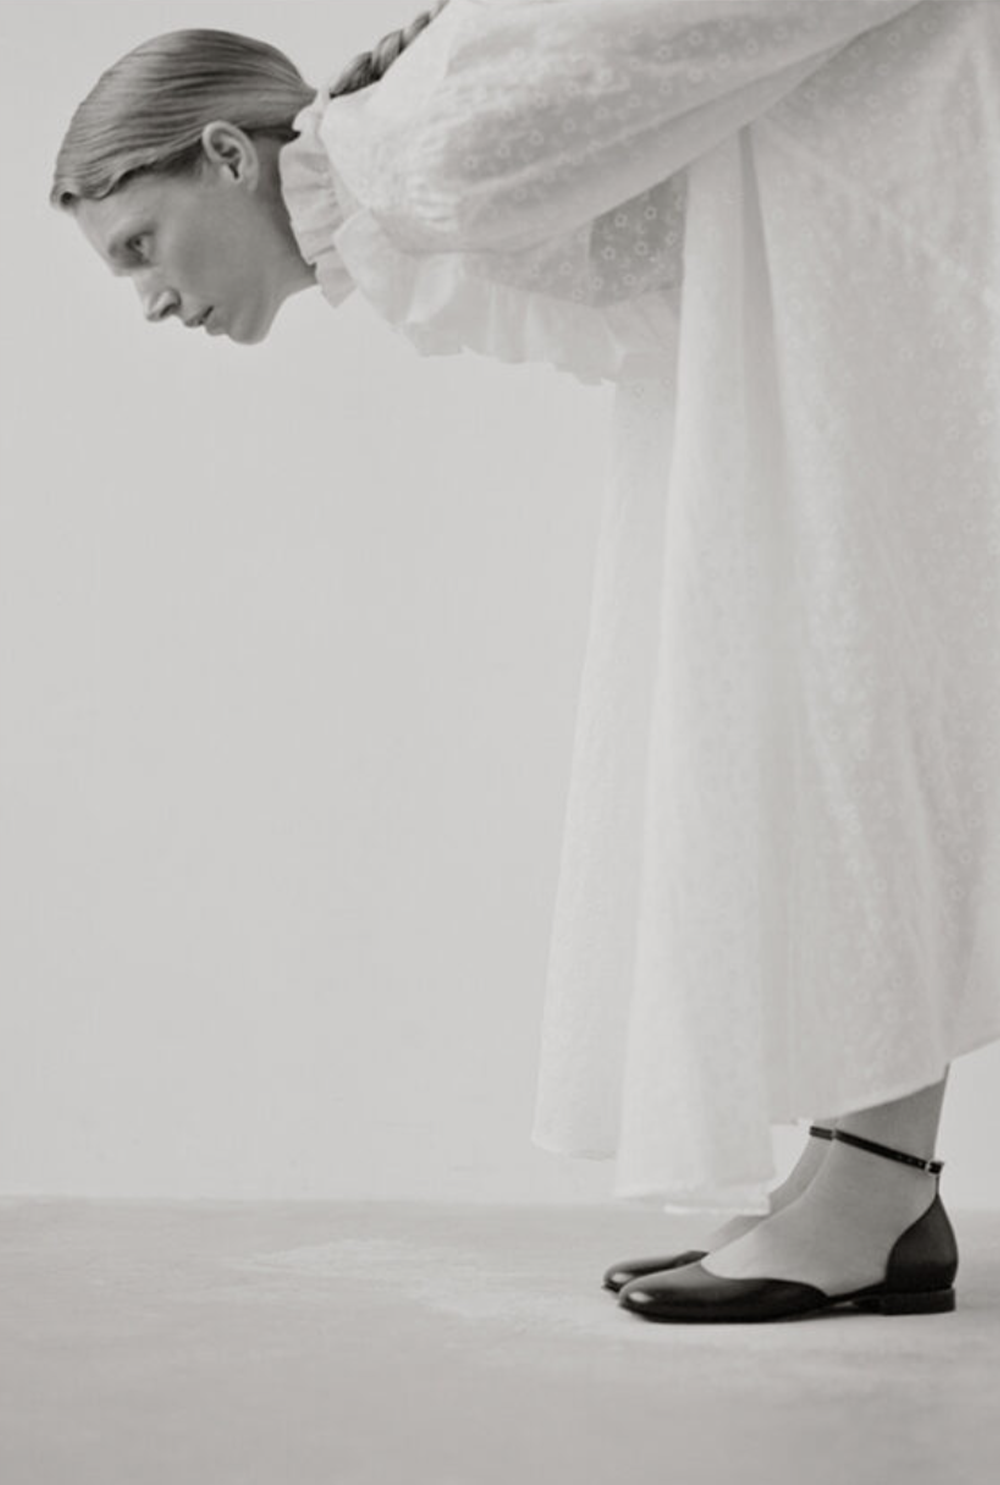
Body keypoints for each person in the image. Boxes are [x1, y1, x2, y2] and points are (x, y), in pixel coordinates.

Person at [52, 0, 1000, 1322]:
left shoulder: (422, 148)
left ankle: (877, 1190)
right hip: (853, 293)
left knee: (864, 731)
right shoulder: (403, 171)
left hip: (887, 286)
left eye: (139, 246)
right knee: (834, 722)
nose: (150, 300)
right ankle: (862, 1170)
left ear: (224, 154)